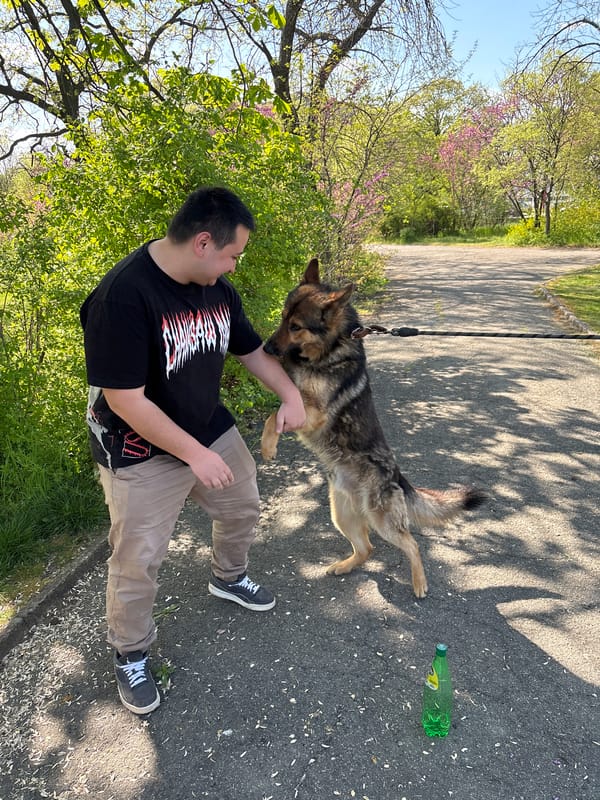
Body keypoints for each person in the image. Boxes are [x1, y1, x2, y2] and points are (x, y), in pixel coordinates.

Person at [80, 186, 305, 715]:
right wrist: (195, 456)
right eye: (232, 254)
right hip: (137, 446)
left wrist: (290, 393)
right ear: (203, 242)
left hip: (204, 425)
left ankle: (228, 577)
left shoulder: (218, 291)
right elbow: (125, 400)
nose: (233, 266)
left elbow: (251, 351)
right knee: (138, 557)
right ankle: (130, 654)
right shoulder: (123, 297)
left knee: (242, 503)